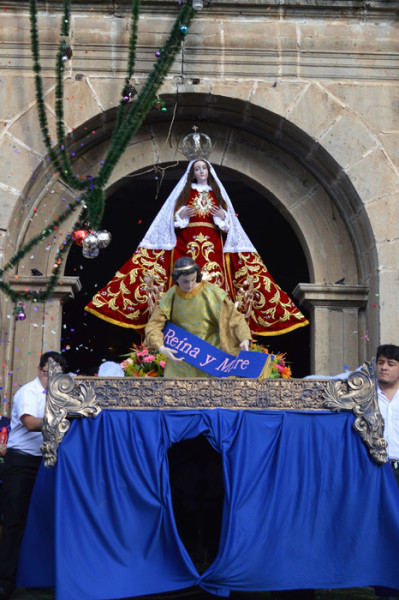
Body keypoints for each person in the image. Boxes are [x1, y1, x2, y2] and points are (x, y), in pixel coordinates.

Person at [85, 156, 309, 337]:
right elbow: (170, 221)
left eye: (204, 169)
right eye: (198, 169)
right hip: (186, 246)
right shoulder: (184, 194)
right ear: (193, 172)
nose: (201, 172)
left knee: (217, 289)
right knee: (185, 284)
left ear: (209, 172)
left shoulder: (217, 195)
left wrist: (223, 217)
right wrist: (180, 215)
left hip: (214, 249)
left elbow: (230, 227)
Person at [0, 351, 67, 600]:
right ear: (40, 370)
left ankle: (38, 579)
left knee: (42, 521)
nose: (54, 377)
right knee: (15, 522)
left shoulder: (59, 395)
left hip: (46, 462)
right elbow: (29, 423)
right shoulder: (28, 392)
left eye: (59, 374)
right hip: (21, 462)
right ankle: (6, 581)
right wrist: (62, 418)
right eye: (51, 372)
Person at [144, 257, 251, 378]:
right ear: (176, 279)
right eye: (184, 281)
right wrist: (161, 347)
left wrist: (244, 339)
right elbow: (154, 325)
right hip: (180, 360)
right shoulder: (171, 295)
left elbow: (235, 318)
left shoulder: (213, 293)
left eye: (193, 279)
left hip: (210, 361)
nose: (189, 285)